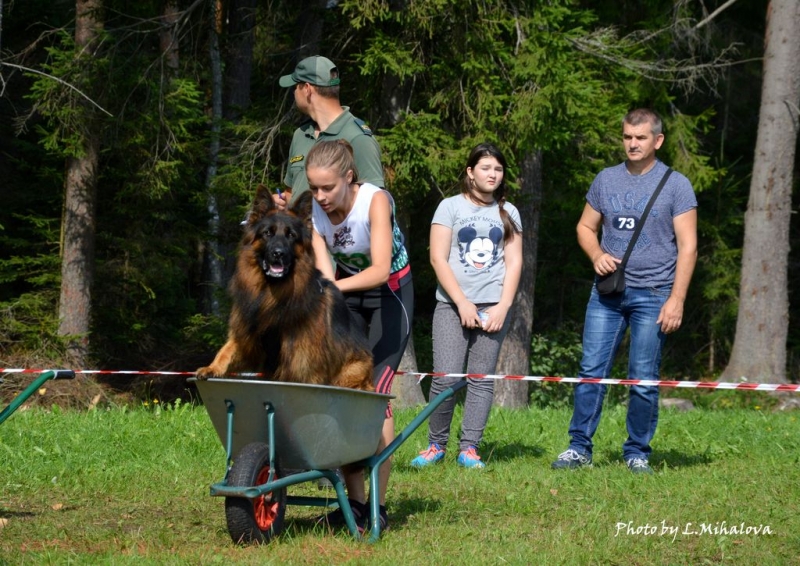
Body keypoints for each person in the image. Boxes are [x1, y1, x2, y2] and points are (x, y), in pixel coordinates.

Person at [551, 108, 698, 475]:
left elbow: (689, 246)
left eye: (641, 137)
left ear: (657, 141)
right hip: (607, 294)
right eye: (628, 137)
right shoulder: (606, 179)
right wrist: (597, 254)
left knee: (643, 377)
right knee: (590, 371)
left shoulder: (676, 185)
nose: (633, 143)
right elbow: (585, 227)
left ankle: (637, 453)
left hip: (654, 293)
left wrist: (676, 299)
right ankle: (579, 448)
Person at [307, 140, 413, 532]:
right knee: (344, 390)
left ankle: (379, 508)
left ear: (349, 177)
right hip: (349, 292)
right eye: (314, 189)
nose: (320, 197)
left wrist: (332, 288)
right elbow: (325, 274)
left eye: (327, 188)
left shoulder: (375, 202)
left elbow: (381, 270)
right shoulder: (315, 211)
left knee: (375, 393)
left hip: (390, 294)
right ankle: (353, 502)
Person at [410, 142, 522, 470]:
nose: (493, 174)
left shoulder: (510, 212)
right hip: (451, 305)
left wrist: (503, 306)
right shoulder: (449, 207)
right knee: (445, 377)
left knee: (480, 378)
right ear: (470, 172)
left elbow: (514, 263)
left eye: (498, 169)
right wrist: (461, 303)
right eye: (486, 168)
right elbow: (437, 258)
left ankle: (469, 448)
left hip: (494, 305)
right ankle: (436, 445)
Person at [276, 55, 384, 208]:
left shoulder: (358, 138)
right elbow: (292, 193)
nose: (294, 92)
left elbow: (377, 203)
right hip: (300, 231)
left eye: (296, 86)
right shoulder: (300, 134)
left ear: (307, 89)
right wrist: (281, 201)